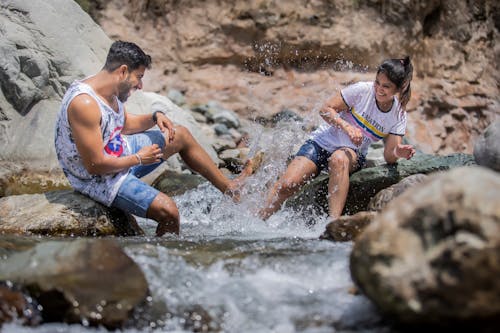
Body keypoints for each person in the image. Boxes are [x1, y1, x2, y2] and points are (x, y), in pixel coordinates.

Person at [55, 40, 254, 236]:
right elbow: (94, 165)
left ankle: (230, 188)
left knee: (180, 135)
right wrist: (139, 159)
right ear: (123, 71)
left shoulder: (109, 88)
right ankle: (159, 263)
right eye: (139, 77)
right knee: (170, 212)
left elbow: (122, 124)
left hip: (118, 153)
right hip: (97, 179)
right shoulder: (85, 104)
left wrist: (154, 117)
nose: (140, 85)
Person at [258, 57, 416, 221]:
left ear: (398, 89)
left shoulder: (398, 114)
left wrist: (400, 151)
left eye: (386, 86)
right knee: (287, 185)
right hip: (320, 143)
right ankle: (257, 220)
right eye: (377, 82)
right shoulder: (362, 90)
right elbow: (326, 109)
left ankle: (333, 224)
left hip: (352, 154)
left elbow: (390, 154)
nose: (379, 89)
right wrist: (346, 127)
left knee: (338, 159)